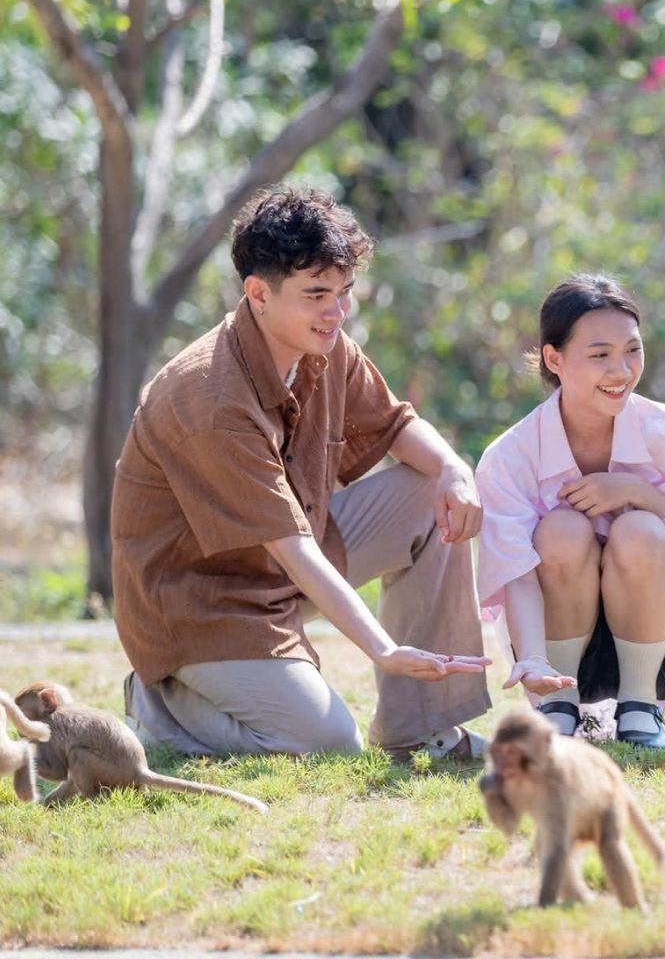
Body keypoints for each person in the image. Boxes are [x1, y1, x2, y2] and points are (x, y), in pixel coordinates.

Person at [117, 186, 493, 760]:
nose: (337, 312)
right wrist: (382, 648)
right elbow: (291, 549)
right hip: (205, 608)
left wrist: (454, 469)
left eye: (345, 292)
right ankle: (159, 710)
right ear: (258, 294)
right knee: (329, 742)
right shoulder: (211, 398)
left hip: (285, 569)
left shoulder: (325, 343)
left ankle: (421, 730)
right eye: (316, 294)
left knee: (430, 490)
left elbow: (394, 425)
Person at [474, 274, 665, 751]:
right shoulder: (510, 456)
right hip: (550, 641)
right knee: (561, 528)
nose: (620, 370)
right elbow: (514, 571)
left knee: (640, 528)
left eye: (632, 350)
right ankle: (559, 705)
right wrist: (532, 658)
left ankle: (641, 708)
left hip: (659, 634)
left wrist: (641, 494)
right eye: (599, 355)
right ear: (554, 359)